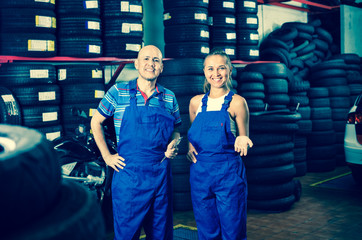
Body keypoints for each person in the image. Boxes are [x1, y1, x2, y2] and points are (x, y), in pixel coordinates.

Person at [91, 45, 181, 240]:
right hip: (129, 175)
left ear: (161, 67)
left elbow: (175, 130)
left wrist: (173, 143)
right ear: (137, 64)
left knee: (161, 234)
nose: (151, 64)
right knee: (127, 234)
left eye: (156, 60)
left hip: (160, 175)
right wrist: (107, 156)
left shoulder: (169, 97)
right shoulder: (118, 91)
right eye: (146, 59)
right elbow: (95, 121)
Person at [187, 48, 253, 240]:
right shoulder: (195, 103)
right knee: (206, 227)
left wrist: (243, 140)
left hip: (228, 173)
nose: (215, 74)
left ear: (230, 70)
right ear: (204, 72)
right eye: (210, 69)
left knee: (233, 229)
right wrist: (189, 149)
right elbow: (194, 136)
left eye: (221, 68)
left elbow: (245, 140)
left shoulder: (238, 103)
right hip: (200, 173)